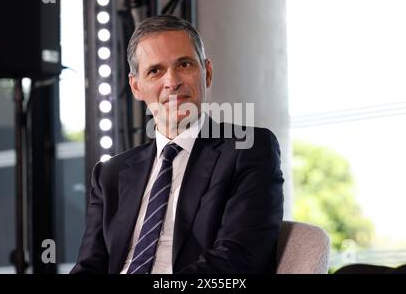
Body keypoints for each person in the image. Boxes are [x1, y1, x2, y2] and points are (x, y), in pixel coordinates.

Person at [71, 15, 284, 274]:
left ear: (207, 73)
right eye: (155, 71)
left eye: (184, 64)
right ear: (136, 86)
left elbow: (237, 260)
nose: (172, 82)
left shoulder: (248, 150)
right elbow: (88, 267)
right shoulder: (109, 175)